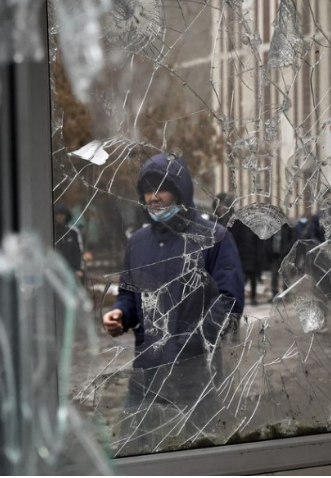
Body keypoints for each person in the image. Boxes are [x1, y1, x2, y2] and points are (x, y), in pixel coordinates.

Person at [101, 154, 244, 453]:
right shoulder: (138, 242)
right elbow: (129, 295)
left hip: (196, 375)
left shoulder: (214, 237)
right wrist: (119, 313)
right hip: (146, 373)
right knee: (136, 451)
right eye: (147, 189)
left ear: (180, 191)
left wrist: (188, 344)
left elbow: (229, 302)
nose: (153, 197)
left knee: (199, 455)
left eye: (162, 188)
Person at [213, 193, 267, 306]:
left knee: (238, 284)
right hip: (216, 261)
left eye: (224, 205)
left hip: (237, 259)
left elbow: (243, 242)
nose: (222, 208)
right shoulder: (212, 221)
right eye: (219, 206)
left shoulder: (236, 222)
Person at [54, 204, 84, 280]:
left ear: (66, 215)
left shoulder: (73, 232)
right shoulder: (49, 231)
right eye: (57, 214)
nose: (59, 216)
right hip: (54, 271)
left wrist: (78, 269)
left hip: (71, 271)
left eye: (62, 214)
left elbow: (78, 251)